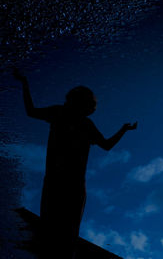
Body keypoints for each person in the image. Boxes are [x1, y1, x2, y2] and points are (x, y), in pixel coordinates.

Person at [13, 68, 137, 258]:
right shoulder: (59, 113)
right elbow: (31, 111)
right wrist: (25, 84)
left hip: (74, 184)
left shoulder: (85, 124)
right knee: (51, 227)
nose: (68, 102)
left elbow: (106, 145)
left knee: (68, 232)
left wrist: (123, 129)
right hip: (57, 180)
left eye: (73, 100)